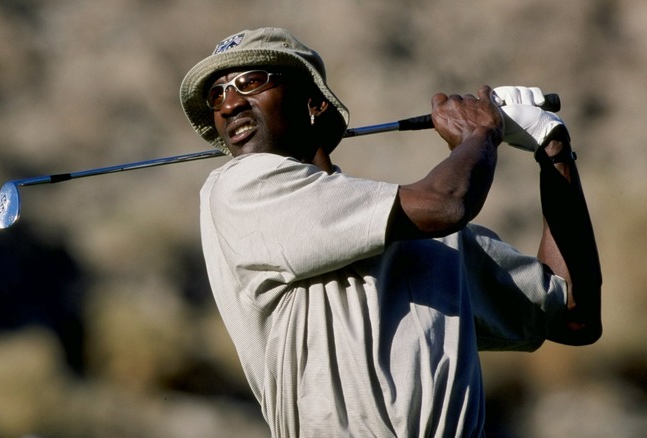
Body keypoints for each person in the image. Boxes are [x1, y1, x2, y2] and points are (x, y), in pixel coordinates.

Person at [179, 27, 601, 437]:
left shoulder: (432, 236)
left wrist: (552, 147)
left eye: (250, 82)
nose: (228, 104)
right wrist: (480, 133)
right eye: (216, 94)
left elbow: (574, 315)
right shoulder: (238, 187)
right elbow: (447, 202)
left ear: (314, 105)